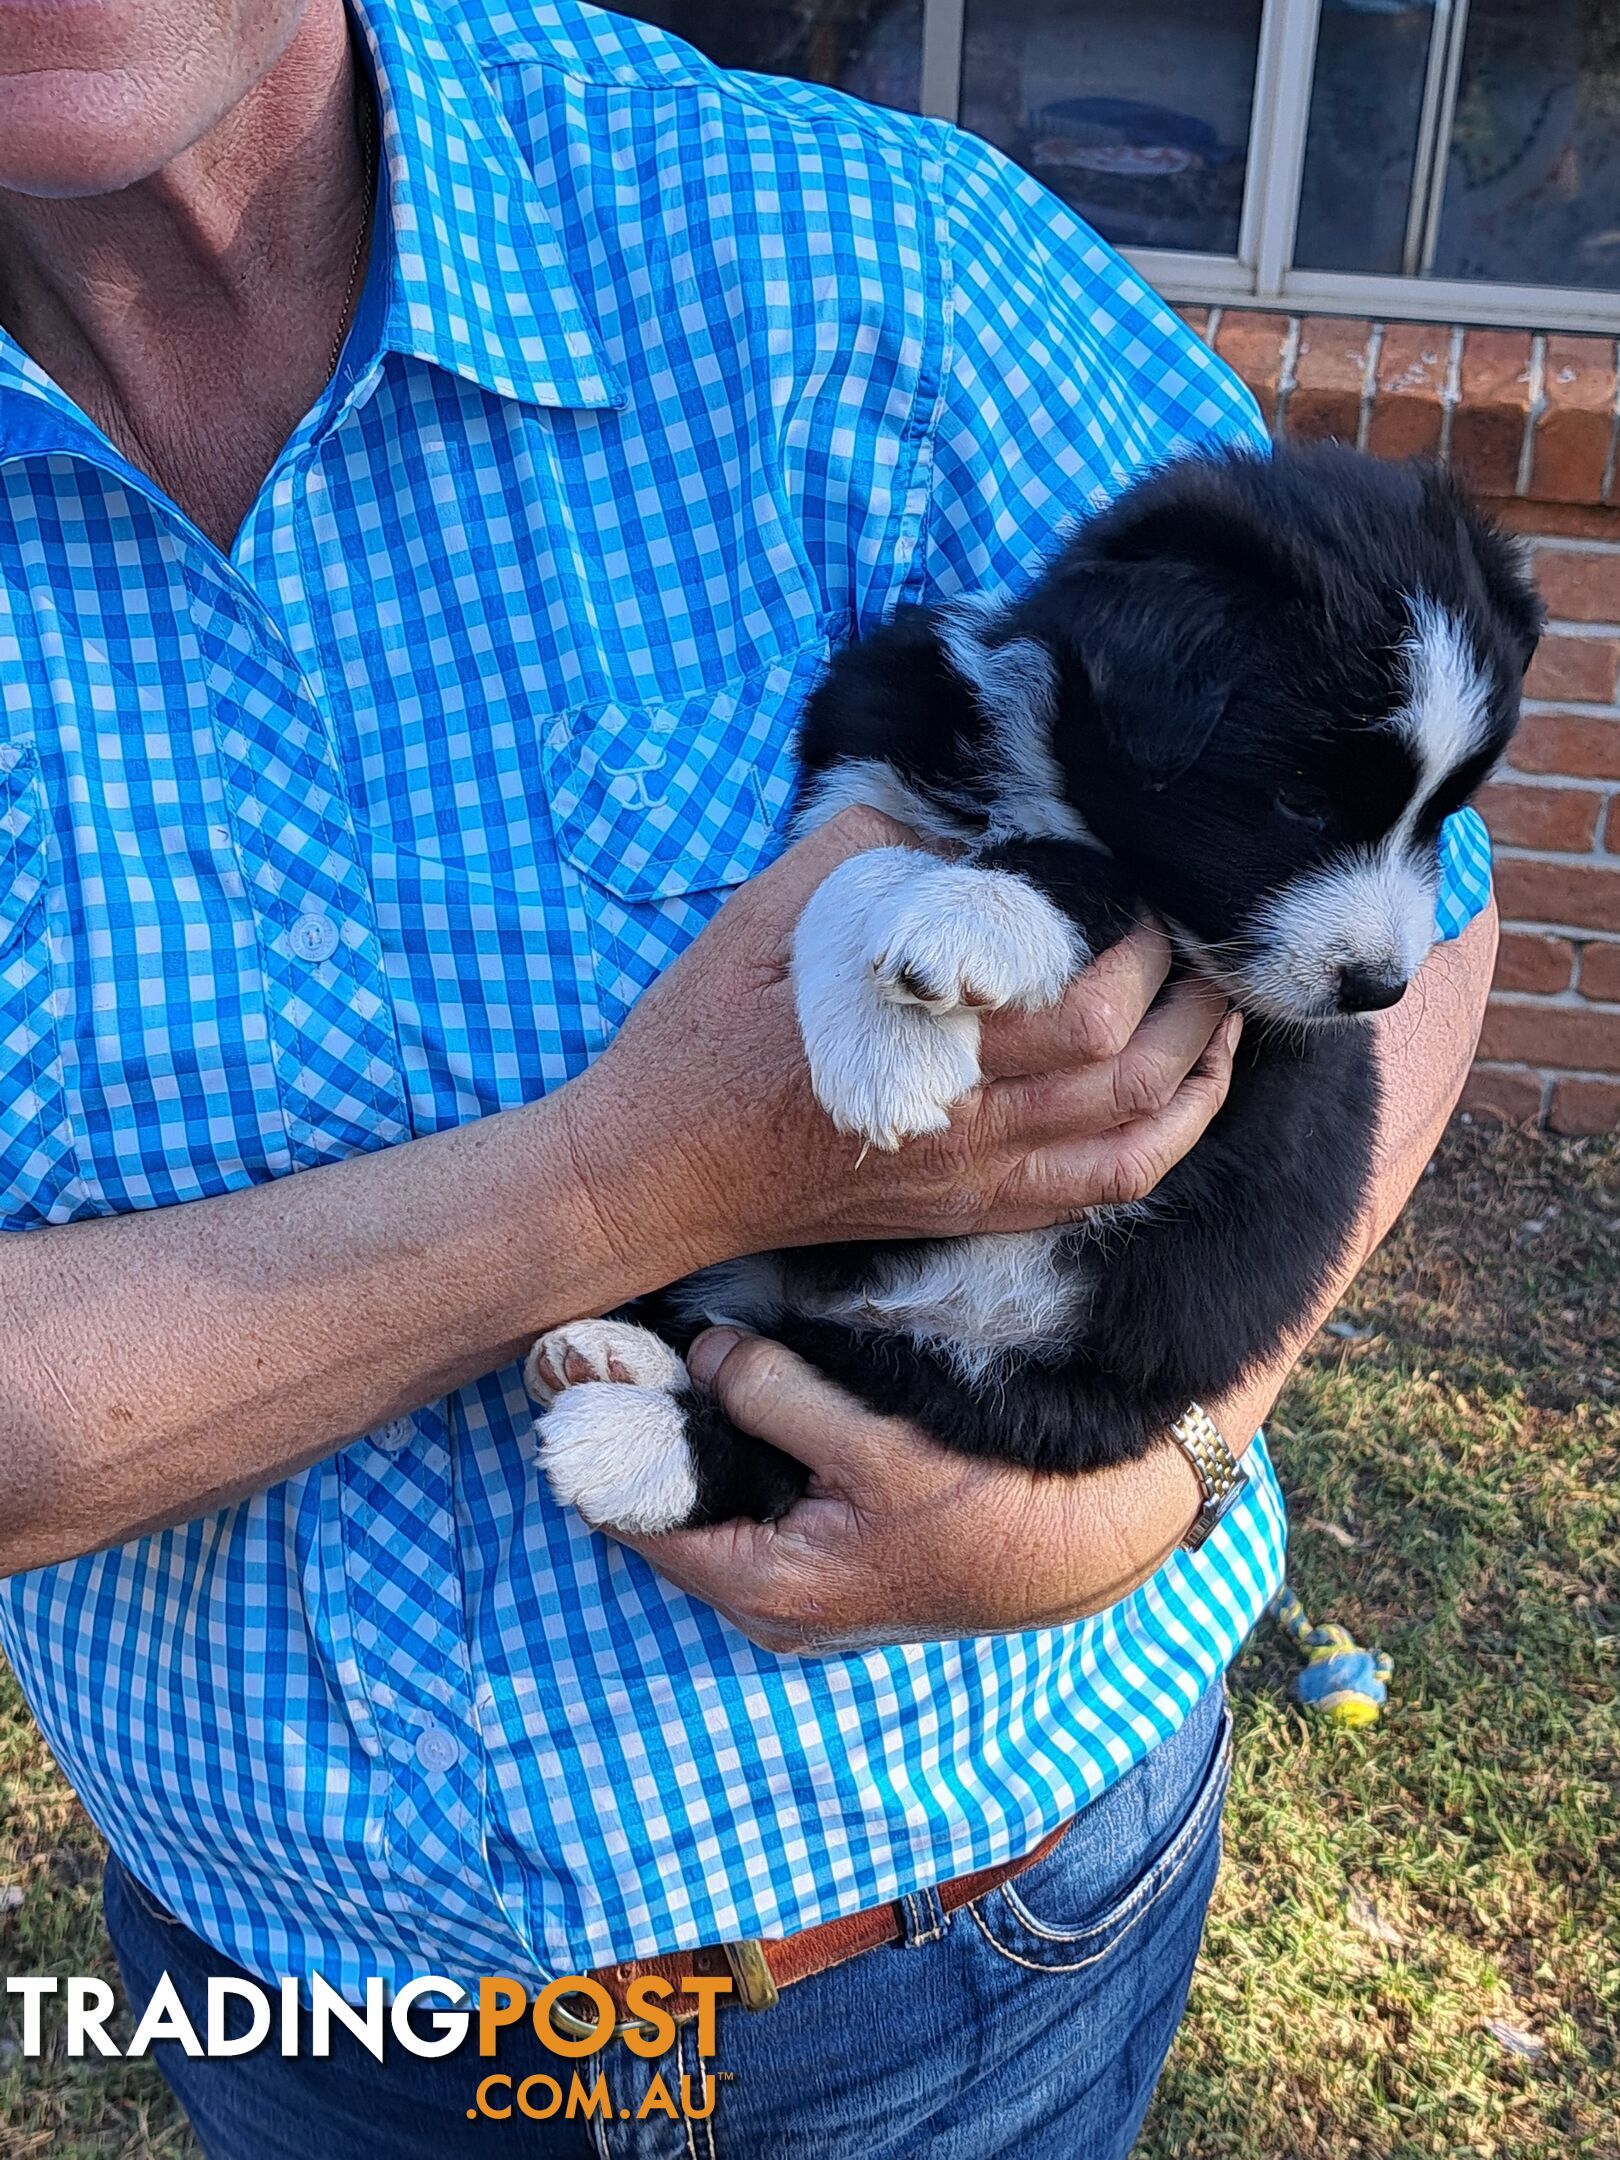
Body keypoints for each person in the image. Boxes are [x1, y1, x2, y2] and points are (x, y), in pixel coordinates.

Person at [0, 2, 1497, 2152]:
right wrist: (636, 1183)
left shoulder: (841, 254)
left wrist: (1129, 1477)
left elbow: (1421, 898)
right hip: (294, 2000)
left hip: (957, 1949)